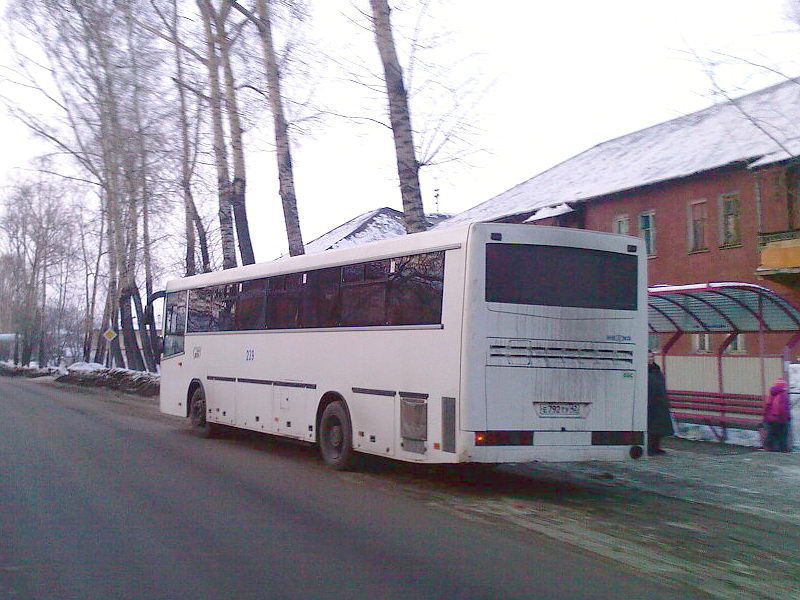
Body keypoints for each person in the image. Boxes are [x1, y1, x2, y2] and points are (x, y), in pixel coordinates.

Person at [647, 352, 674, 455]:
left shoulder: (657, 370)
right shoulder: (644, 371)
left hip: (660, 403)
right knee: (651, 427)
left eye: (651, 357)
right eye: (648, 357)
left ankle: (657, 446)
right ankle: (650, 448)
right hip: (650, 404)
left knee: (659, 427)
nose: (650, 359)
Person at [763, 377, 791, 452]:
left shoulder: (771, 394)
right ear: (783, 386)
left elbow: (767, 406)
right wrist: (787, 418)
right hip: (780, 419)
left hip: (770, 419)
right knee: (783, 436)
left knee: (772, 434)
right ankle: (783, 450)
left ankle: (770, 449)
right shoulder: (783, 395)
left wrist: (765, 418)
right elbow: (783, 409)